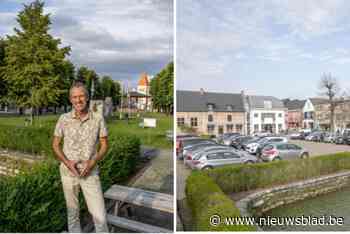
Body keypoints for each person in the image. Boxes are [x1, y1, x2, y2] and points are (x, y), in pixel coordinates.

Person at [52, 82, 109, 233]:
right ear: (70, 99)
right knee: (72, 214)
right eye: (75, 97)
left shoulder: (98, 119)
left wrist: (92, 162)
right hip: (68, 173)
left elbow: (104, 145)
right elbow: (55, 145)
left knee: (101, 218)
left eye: (81, 96)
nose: (78, 100)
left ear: (87, 97)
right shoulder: (63, 119)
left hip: (90, 173)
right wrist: (67, 163)